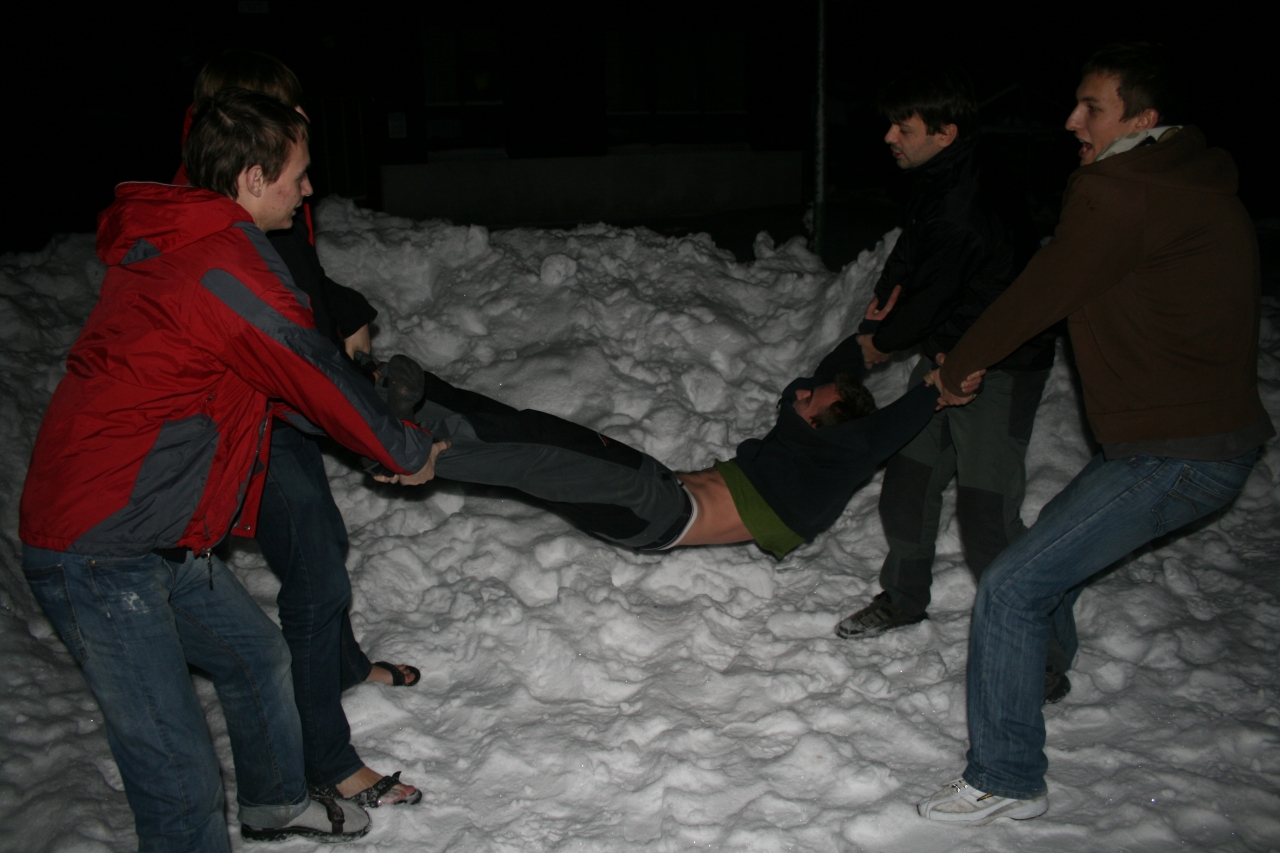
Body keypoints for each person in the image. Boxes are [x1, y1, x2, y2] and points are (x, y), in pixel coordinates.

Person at [19, 87, 444, 850]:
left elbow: (272, 388)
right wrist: (403, 449)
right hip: (100, 545)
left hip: (160, 534)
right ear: (253, 179)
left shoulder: (195, 242)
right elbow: (308, 368)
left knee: (255, 657)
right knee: (180, 776)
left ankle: (276, 803)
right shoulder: (219, 264)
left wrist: (377, 438)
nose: (308, 191)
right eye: (298, 175)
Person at [915, 42, 1271, 825]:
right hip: (1201, 440)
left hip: (1176, 452)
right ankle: (1037, 673)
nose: (1072, 121)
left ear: (1142, 119)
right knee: (1049, 547)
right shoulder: (1187, 176)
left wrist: (960, 365)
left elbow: (1041, 290)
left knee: (1010, 586)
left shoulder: (1120, 189)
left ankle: (1005, 776)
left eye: (1093, 108)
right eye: (1076, 102)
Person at [179, 49, 424, 810]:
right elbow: (287, 347)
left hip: (274, 403)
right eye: (287, 111)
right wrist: (381, 438)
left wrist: (344, 310)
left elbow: (301, 278)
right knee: (316, 571)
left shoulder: (263, 196)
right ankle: (324, 759)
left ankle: (341, 663)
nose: (304, 122)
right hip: (255, 415)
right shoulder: (228, 222)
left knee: (324, 545)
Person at [375, 331, 981, 558]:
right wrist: (868, 342)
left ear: (829, 428)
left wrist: (934, 391)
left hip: (658, 510)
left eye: (809, 402)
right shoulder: (801, 436)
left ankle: (423, 456)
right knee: (530, 429)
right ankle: (412, 398)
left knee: (542, 456)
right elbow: (826, 376)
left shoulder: (830, 463)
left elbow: (879, 433)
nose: (797, 395)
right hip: (652, 495)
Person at [834, 68, 1059, 680]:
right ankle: (904, 599)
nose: (889, 137)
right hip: (946, 354)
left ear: (946, 132)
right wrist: (886, 293)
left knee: (987, 520)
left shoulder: (968, 202)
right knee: (907, 485)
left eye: (903, 128)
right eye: (891, 124)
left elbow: (936, 295)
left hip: (998, 365)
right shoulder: (939, 175)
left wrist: (881, 342)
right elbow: (914, 248)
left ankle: (1043, 659)